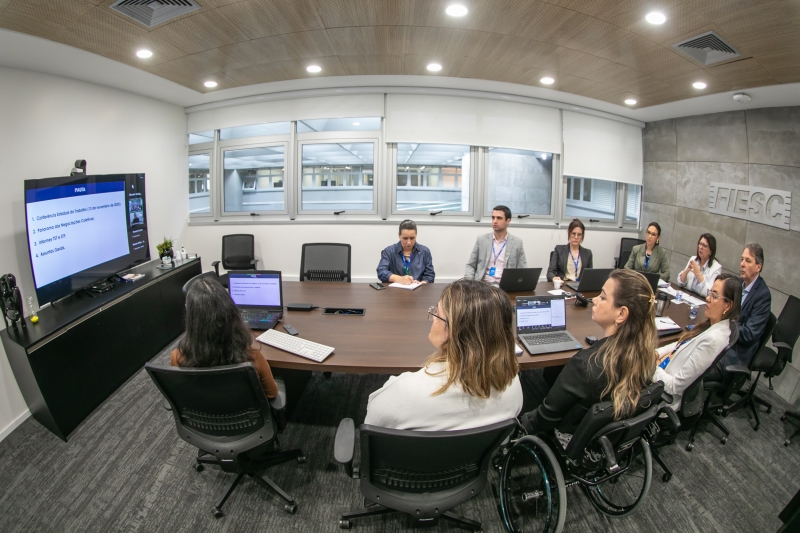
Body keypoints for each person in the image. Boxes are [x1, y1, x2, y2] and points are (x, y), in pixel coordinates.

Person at [364, 278, 523, 430]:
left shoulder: (406, 390)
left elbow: (373, 421)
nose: (433, 319)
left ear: (453, 330)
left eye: (437, 314)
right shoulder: (513, 383)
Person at [520, 270, 658, 436]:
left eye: (603, 297)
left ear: (621, 314)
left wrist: (521, 422)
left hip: (565, 439)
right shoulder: (647, 357)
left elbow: (543, 420)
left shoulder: (585, 365)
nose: (594, 300)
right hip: (603, 438)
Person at [170, 276, 278, 398]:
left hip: (200, 409)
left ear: (192, 319)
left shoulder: (177, 357)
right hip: (242, 410)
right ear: (231, 313)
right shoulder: (252, 358)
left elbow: (182, 394)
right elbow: (272, 393)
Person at [655, 274, 741, 411]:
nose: (707, 298)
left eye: (714, 296)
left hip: (663, 395)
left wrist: (652, 367)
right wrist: (657, 353)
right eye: (710, 293)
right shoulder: (712, 324)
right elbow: (681, 343)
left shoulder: (713, 340)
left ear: (728, 305)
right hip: (663, 370)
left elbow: (674, 386)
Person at [713, 243, 771, 377]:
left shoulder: (763, 295)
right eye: (742, 259)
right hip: (722, 338)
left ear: (758, 267)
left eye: (748, 261)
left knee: (699, 369)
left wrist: (725, 322)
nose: (742, 264)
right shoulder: (737, 283)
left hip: (735, 352)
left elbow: (749, 334)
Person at [465, 205, 527, 283]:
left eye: (499, 218)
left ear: (508, 221)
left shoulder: (517, 242)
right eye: (493, 218)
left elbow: (522, 270)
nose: (495, 221)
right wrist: (470, 284)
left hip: (505, 285)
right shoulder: (481, 239)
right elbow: (470, 265)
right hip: (483, 284)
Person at [376, 219, 435, 285]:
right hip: (395, 290)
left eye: (412, 238)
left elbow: (430, 276)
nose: (409, 242)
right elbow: (381, 272)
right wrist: (399, 279)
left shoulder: (425, 252)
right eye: (405, 238)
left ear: (416, 235)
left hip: (418, 289)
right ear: (399, 235)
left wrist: (420, 284)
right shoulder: (389, 251)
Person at [547, 218, 593, 282]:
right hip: (564, 283)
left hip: (579, 285)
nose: (576, 237)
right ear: (569, 233)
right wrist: (554, 278)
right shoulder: (559, 250)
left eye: (579, 235)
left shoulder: (587, 253)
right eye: (573, 233)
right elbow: (550, 273)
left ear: (582, 236)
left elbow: (589, 275)